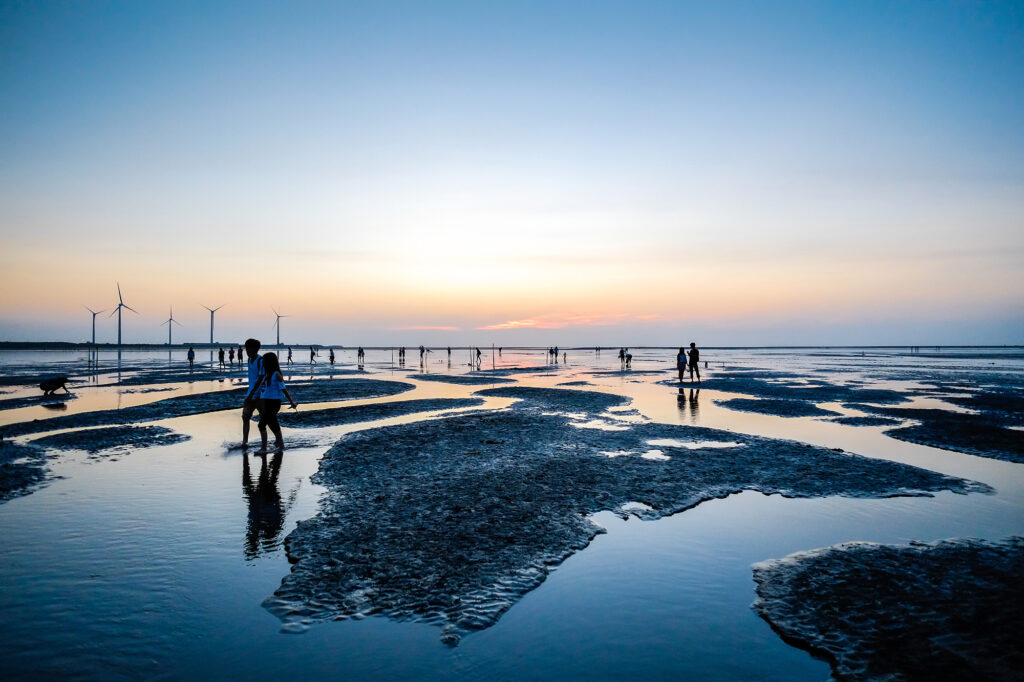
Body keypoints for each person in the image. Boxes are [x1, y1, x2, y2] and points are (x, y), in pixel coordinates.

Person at [257, 352, 297, 453]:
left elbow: (283, 389)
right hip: (266, 402)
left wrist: (291, 401)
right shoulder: (266, 374)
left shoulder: (276, 374)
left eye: (264, 361)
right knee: (272, 423)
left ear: (269, 362)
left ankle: (264, 448)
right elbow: (264, 389)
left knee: (261, 424)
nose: (263, 363)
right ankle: (280, 444)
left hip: (274, 403)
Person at [241, 338, 264, 449]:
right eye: (246, 349)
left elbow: (260, 379)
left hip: (260, 395)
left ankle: (273, 442)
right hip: (250, 393)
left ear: (255, 349)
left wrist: (253, 394)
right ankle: (245, 441)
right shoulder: (249, 360)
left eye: (248, 349)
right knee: (245, 417)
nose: (247, 351)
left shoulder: (260, 360)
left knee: (265, 420)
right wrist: (249, 394)